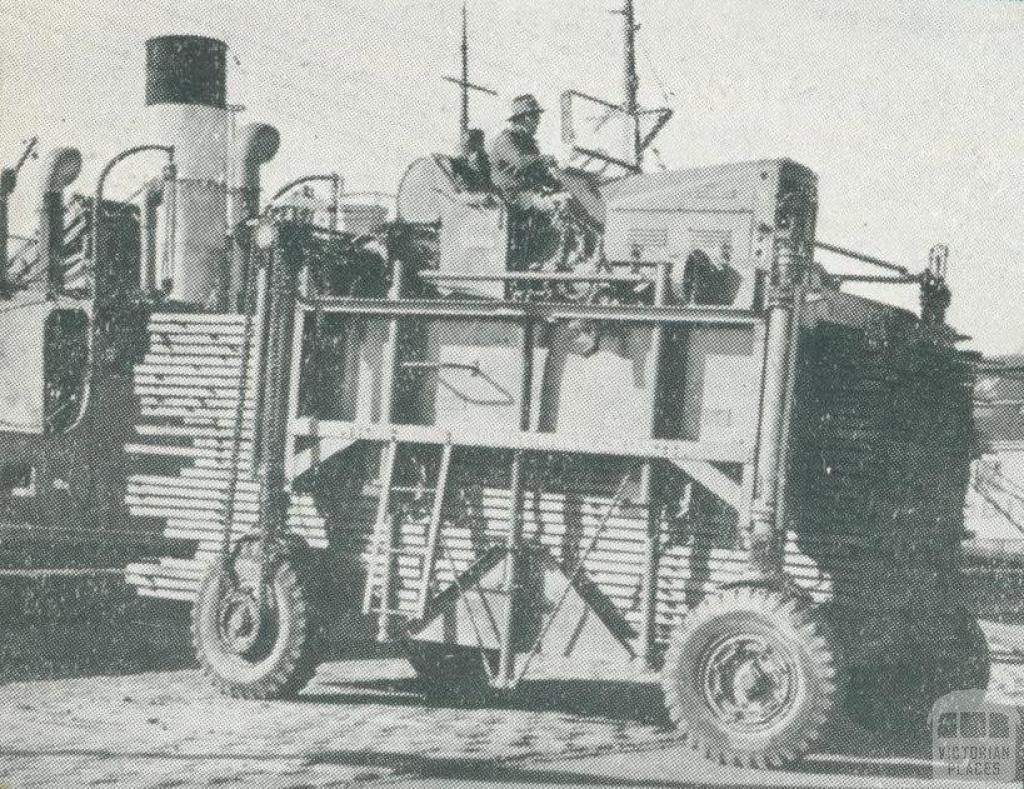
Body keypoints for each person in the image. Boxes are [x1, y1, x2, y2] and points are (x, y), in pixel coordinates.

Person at [488, 94, 562, 209]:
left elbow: (538, 172)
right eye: (536, 117)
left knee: (565, 198)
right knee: (557, 204)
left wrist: (559, 184)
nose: (538, 121)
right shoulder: (506, 139)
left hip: (525, 194)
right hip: (509, 195)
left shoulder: (528, 143)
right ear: (527, 117)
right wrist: (543, 159)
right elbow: (520, 162)